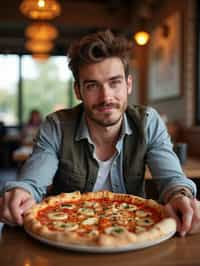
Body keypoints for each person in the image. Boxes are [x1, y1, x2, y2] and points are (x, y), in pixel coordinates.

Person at [0, 30, 200, 236]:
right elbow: (33, 183)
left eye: (115, 82)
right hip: (66, 237)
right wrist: (21, 193)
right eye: (93, 85)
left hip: (135, 235)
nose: (106, 97)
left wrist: (180, 196)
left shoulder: (149, 122)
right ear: (78, 91)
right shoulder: (56, 125)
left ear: (128, 84)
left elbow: (172, 181)